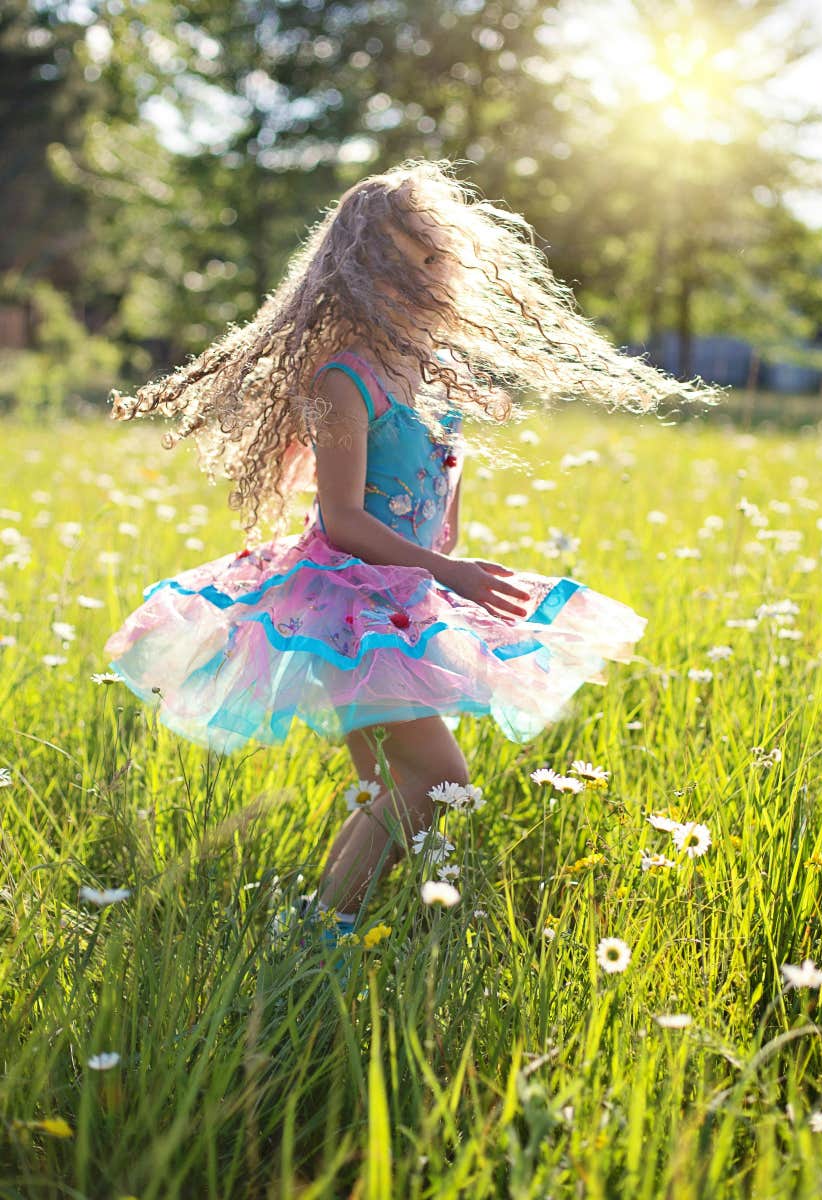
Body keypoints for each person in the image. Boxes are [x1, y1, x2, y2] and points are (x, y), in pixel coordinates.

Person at [103, 157, 714, 941]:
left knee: (392, 786)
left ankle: (327, 929)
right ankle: (323, 926)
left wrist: (447, 552)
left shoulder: (430, 374)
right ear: (358, 272)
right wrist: (446, 568)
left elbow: (434, 498)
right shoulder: (342, 380)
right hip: (348, 601)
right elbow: (344, 519)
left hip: (402, 597)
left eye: (434, 257)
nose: (424, 275)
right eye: (402, 260)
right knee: (440, 780)